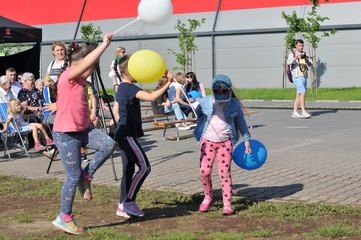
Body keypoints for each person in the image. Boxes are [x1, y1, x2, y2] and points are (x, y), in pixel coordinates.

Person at [50, 34, 115, 235]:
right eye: (90, 65)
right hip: (66, 134)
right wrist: (103, 45)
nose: (92, 70)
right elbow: (86, 61)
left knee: (108, 144)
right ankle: (64, 217)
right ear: (78, 63)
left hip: (83, 129)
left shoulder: (82, 82)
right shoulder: (68, 75)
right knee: (72, 175)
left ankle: (87, 176)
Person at [112, 55, 172, 218]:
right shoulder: (129, 88)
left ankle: (121, 205)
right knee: (145, 167)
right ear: (128, 70)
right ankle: (128, 202)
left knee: (128, 170)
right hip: (127, 135)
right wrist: (168, 82)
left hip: (123, 134)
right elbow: (152, 97)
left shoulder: (121, 87)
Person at [193, 74, 251, 215]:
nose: (221, 94)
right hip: (208, 142)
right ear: (213, 91)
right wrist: (198, 106)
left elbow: (241, 123)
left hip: (225, 143)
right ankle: (208, 197)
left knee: (224, 173)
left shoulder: (234, 104)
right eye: (218, 91)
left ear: (229, 91)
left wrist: (247, 139)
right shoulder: (206, 101)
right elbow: (198, 114)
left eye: (224, 91)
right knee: (204, 172)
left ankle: (227, 203)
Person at [287, 39, 313, 118]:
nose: (301, 47)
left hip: (304, 75)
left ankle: (294, 112)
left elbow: (310, 64)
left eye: (302, 45)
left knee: (299, 94)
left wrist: (307, 60)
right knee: (302, 92)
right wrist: (296, 57)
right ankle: (303, 111)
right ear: (296, 46)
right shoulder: (293, 53)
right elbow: (288, 62)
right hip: (297, 76)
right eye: (299, 45)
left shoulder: (305, 54)